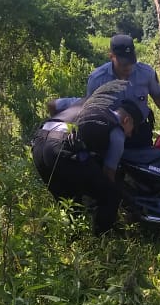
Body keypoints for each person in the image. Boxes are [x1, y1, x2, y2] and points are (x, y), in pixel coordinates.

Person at [32, 87, 143, 234]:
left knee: (69, 200)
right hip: (61, 149)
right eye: (132, 130)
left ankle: (72, 240)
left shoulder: (87, 102)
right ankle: (102, 238)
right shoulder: (117, 132)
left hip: (38, 144)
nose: (129, 135)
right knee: (110, 194)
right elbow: (108, 174)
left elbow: (52, 104)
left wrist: (62, 131)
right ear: (126, 120)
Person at [48, 33, 160, 148]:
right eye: (123, 63)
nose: (128, 66)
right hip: (110, 135)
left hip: (139, 132)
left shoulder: (146, 73)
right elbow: (91, 110)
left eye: (131, 61)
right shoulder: (98, 78)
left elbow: (158, 96)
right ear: (111, 56)